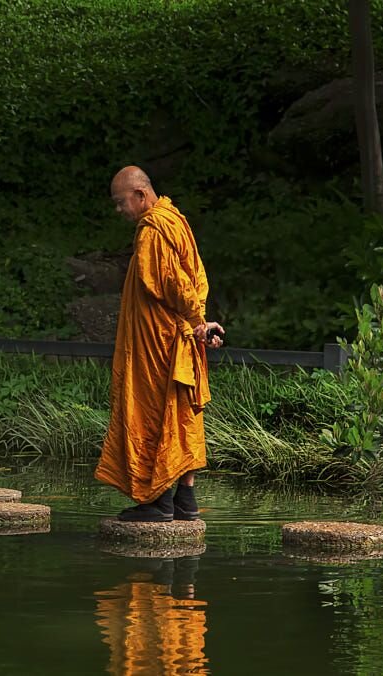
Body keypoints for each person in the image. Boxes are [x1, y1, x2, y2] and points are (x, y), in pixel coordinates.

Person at [94, 166, 223, 522]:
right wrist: (197, 322)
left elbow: (173, 282)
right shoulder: (176, 221)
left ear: (140, 195)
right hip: (176, 334)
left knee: (155, 414)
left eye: (121, 202)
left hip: (159, 342)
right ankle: (185, 500)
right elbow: (198, 279)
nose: (119, 210)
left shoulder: (154, 229)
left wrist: (197, 322)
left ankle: (159, 501)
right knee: (181, 415)